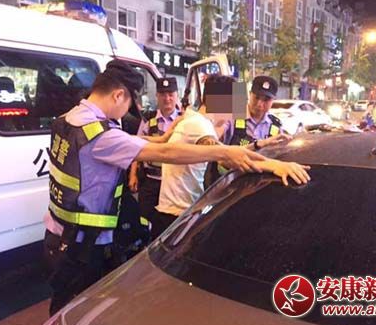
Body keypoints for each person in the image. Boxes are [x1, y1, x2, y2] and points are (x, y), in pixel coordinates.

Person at [43, 60, 273, 315]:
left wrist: (164, 137)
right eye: (129, 103)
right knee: (75, 314)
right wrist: (229, 153)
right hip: (82, 244)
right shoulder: (100, 135)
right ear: (118, 95)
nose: (129, 111)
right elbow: (164, 153)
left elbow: (129, 141)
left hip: (59, 233)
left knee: (66, 304)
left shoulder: (71, 118)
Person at [152, 75, 310, 240]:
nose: (235, 111)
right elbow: (226, 157)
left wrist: (259, 144)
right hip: (177, 214)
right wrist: (275, 166)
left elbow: (227, 151)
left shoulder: (194, 119)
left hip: (178, 210)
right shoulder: (200, 126)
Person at [128, 77, 182, 225]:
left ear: (177, 95)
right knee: (145, 218)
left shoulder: (184, 120)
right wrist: (133, 175)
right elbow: (137, 148)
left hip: (174, 182)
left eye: (171, 94)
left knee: (170, 221)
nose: (167, 98)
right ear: (157, 96)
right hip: (151, 181)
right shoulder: (148, 119)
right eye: (163, 94)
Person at [220, 75, 288, 149]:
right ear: (250, 94)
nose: (259, 104)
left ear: (273, 101)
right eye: (257, 97)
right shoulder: (231, 117)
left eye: (266, 100)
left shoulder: (276, 126)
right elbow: (216, 146)